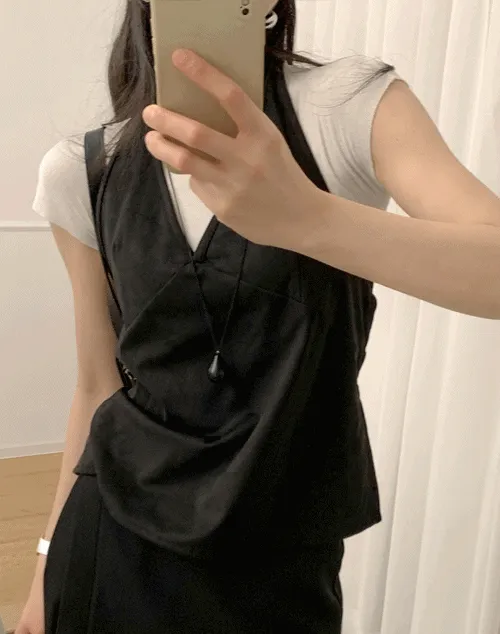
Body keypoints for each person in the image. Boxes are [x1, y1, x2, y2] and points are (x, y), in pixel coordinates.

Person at [17, 0, 500, 632]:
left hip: (281, 557)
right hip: (112, 541)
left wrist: (309, 218)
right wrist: (44, 565)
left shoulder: (347, 107)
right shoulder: (85, 169)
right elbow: (96, 386)